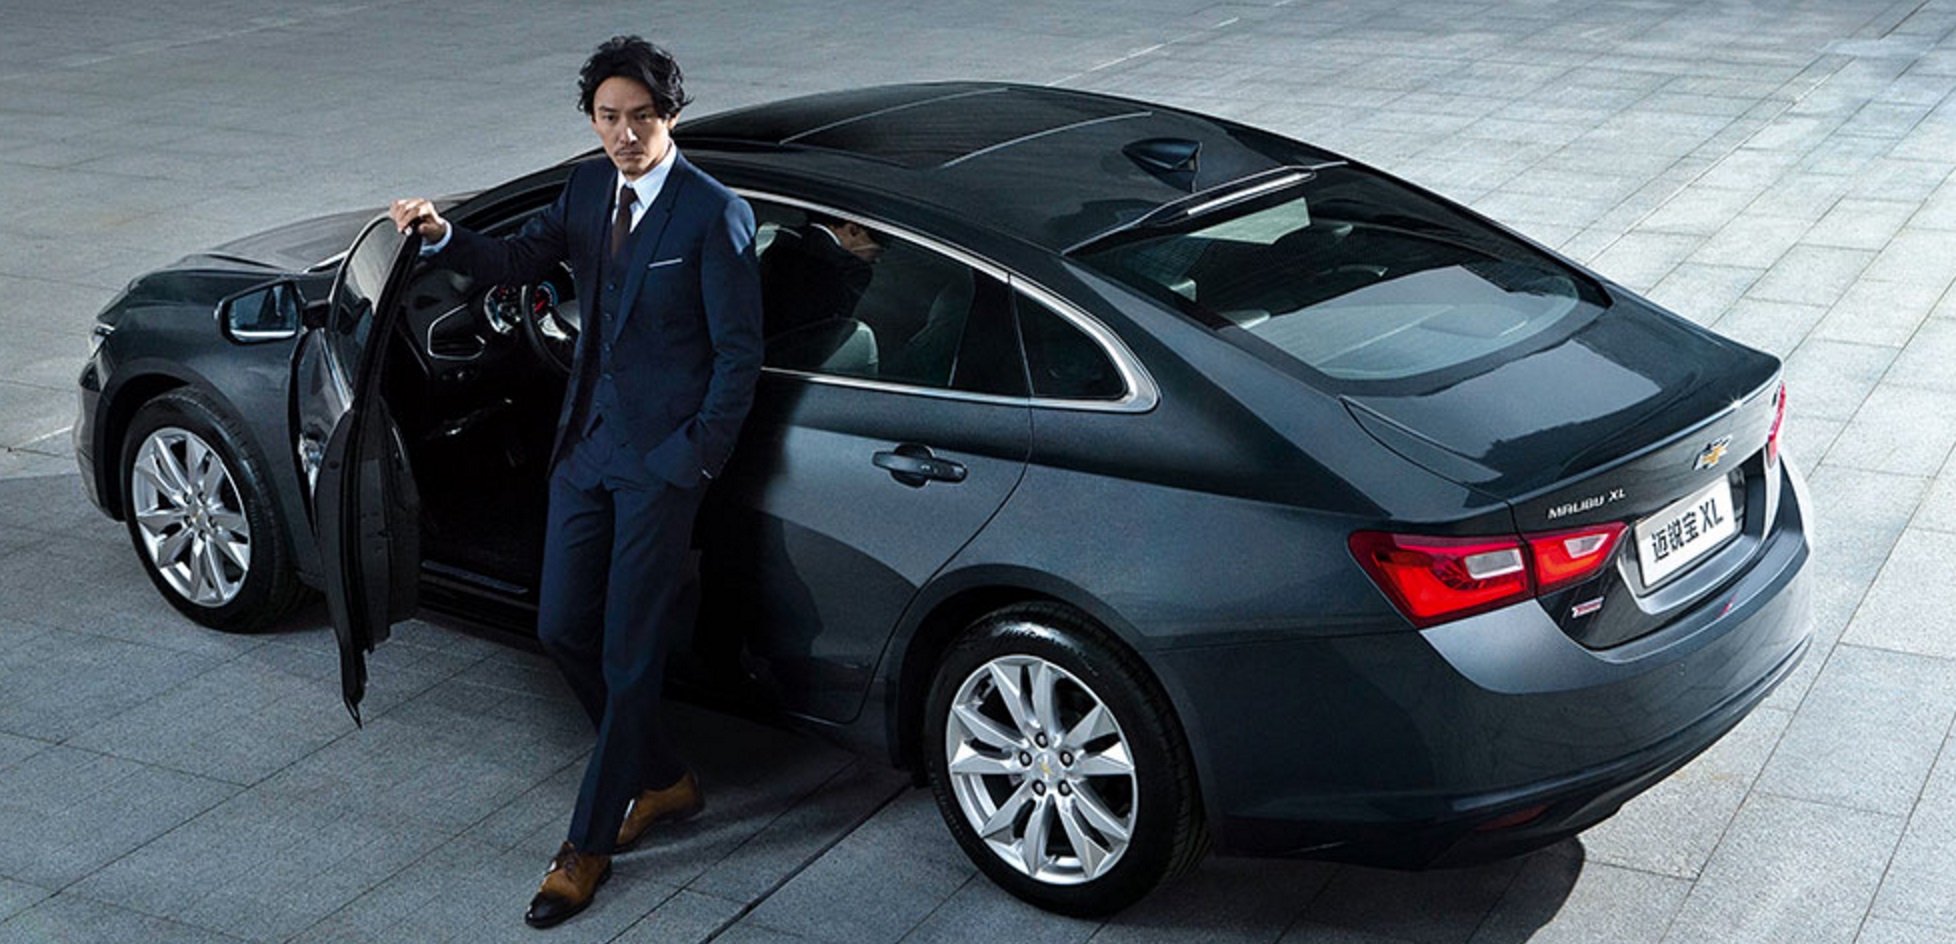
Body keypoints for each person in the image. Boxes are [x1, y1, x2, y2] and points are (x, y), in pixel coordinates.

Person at [388, 35, 762, 929]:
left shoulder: (714, 214)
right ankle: (665, 777)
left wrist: (690, 460)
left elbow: (739, 356)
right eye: (609, 118)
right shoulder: (590, 186)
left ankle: (586, 845)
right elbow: (522, 262)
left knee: (630, 654)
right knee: (561, 626)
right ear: (592, 121)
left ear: (671, 115)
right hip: (585, 449)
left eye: (641, 117)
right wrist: (445, 234)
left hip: (659, 468)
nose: (625, 134)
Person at [760, 212, 882, 338]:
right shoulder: (850, 268)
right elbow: (829, 332)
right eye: (877, 252)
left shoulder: (775, 237)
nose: (876, 260)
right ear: (854, 229)